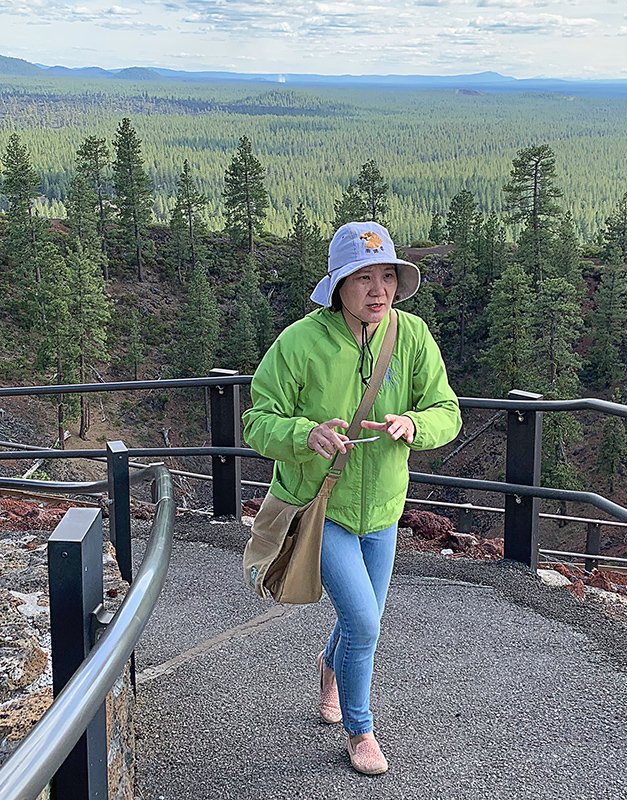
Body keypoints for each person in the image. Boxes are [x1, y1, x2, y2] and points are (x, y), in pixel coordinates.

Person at [242, 221, 461, 776]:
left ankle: (329, 667)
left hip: (384, 508)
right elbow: (256, 420)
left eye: (387, 276)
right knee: (364, 623)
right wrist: (305, 434)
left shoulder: (410, 335)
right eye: (363, 278)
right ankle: (360, 730)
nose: (378, 290)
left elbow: (447, 411)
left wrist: (415, 422)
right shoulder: (299, 342)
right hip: (321, 507)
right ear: (337, 284)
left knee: (361, 616)